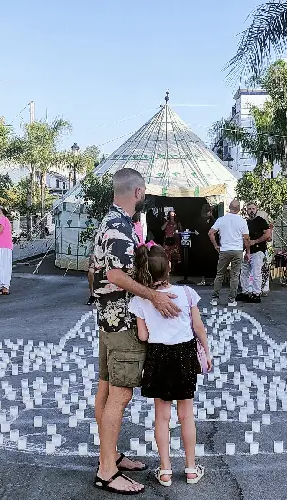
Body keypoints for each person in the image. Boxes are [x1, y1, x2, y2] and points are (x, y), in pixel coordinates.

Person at [92, 168, 181, 495]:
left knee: (106, 388)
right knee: (121, 393)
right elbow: (115, 275)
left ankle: (109, 455)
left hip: (109, 320)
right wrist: (153, 295)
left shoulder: (114, 222)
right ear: (138, 192)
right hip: (122, 323)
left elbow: (101, 272)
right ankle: (106, 471)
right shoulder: (118, 226)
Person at [128, 244, 212, 487]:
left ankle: (165, 470)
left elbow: (143, 336)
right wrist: (206, 351)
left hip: (158, 356)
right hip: (185, 355)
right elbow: (198, 327)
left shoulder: (141, 300)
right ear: (170, 267)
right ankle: (190, 469)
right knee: (186, 416)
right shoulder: (187, 293)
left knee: (162, 418)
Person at [209, 199, 250, 307]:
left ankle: (215, 298)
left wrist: (216, 245)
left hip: (224, 250)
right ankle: (231, 300)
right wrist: (248, 252)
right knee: (235, 276)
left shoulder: (221, 219)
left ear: (229, 208)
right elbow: (246, 238)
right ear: (239, 209)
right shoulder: (242, 220)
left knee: (219, 275)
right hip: (237, 250)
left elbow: (211, 233)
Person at [237, 203, 272, 303]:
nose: (251, 210)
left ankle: (256, 294)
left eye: (253, 208)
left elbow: (268, 235)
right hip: (248, 251)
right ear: (246, 210)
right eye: (249, 209)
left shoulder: (261, 221)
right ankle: (245, 292)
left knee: (256, 273)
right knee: (244, 272)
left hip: (258, 251)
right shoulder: (245, 222)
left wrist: (255, 241)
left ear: (256, 209)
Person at [196, 204, 218, 287]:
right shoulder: (213, 220)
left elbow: (197, 232)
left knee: (203, 261)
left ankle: (204, 279)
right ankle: (212, 279)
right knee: (211, 261)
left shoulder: (200, 220)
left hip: (203, 243)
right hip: (211, 242)